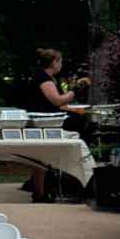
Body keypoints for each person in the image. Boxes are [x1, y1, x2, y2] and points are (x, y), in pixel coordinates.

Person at [26, 47, 91, 202]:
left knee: (39, 158)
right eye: (60, 61)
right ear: (54, 62)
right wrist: (75, 91)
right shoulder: (44, 78)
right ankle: (43, 191)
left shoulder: (48, 77)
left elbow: (52, 103)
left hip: (46, 119)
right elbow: (56, 100)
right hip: (44, 122)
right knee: (41, 157)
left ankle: (40, 191)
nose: (61, 64)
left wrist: (71, 107)